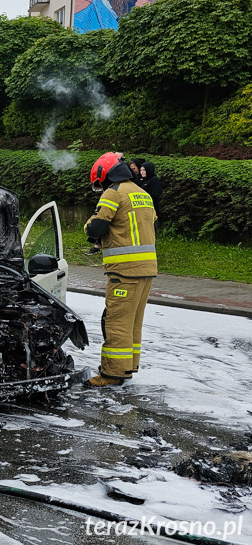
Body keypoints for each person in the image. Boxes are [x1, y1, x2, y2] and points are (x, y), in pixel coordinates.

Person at [85, 152, 157, 387]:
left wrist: (89, 226)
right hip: (147, 269)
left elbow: (96, 226)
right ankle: (129, 365)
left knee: (116, 322)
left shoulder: (114, 193)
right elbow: (152, 223)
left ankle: (112, 374)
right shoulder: (143, 194)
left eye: (100, 183)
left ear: (105, 174)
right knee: (134, 321)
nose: (102, 187)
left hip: (124, 271)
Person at [139, 161, 162, 230]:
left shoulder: (154, 180)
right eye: (141, 170)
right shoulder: (143, 180)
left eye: (144, 170)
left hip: (151, 207)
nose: (142, 172)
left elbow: (155, 195)